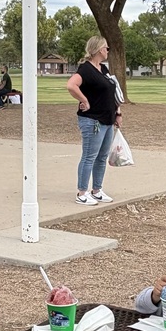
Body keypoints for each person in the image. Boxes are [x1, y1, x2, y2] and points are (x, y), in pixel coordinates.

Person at [65, 35, 122, 205]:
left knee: (102, 156)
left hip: (107, 119)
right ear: (98, 50)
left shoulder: (103, 69)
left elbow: (111, 92)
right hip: (92, 121)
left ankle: (97, 190)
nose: (108, 51)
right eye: (106, 48)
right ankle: (82, 192)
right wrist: (84, 100)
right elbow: (71, 85)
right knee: (89, 156)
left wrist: (118, 112)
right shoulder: (86, 69)